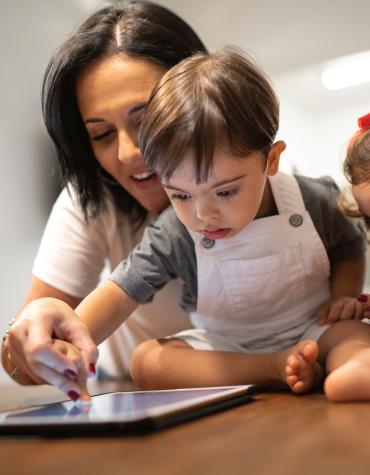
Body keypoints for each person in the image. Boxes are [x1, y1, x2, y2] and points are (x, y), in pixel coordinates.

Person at [7, 48, 370, 402]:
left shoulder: (313, 198)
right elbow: (120, 293)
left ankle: (353, 369)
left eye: (225, 192)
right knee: (146, 361)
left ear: (271, 160)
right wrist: (65, 329)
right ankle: (274, 368)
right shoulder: (173, 233)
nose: (203, 215)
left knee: (352, 336)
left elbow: (348, 247)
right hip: (229, 350)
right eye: (180, 195)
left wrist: (343, 296)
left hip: (314, 330)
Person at [1, 1, 208, 395]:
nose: (128, 153)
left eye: (147, 121)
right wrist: (25, 345)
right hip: (135, 398)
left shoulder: (268, 191)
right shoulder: (90, 202)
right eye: (102, 135)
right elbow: (25, 363)